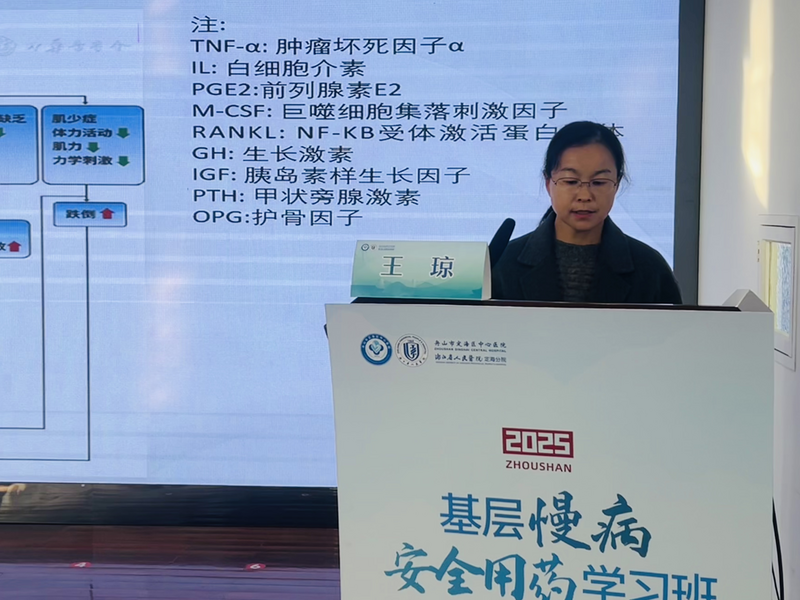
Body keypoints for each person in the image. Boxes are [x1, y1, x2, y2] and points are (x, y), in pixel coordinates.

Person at [492, 121, 682, 304]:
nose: (585, 196)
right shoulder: (503, 263)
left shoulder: (650, 268)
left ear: (616, 185)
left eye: (599, 182)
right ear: (549, 183)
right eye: (571, 181)